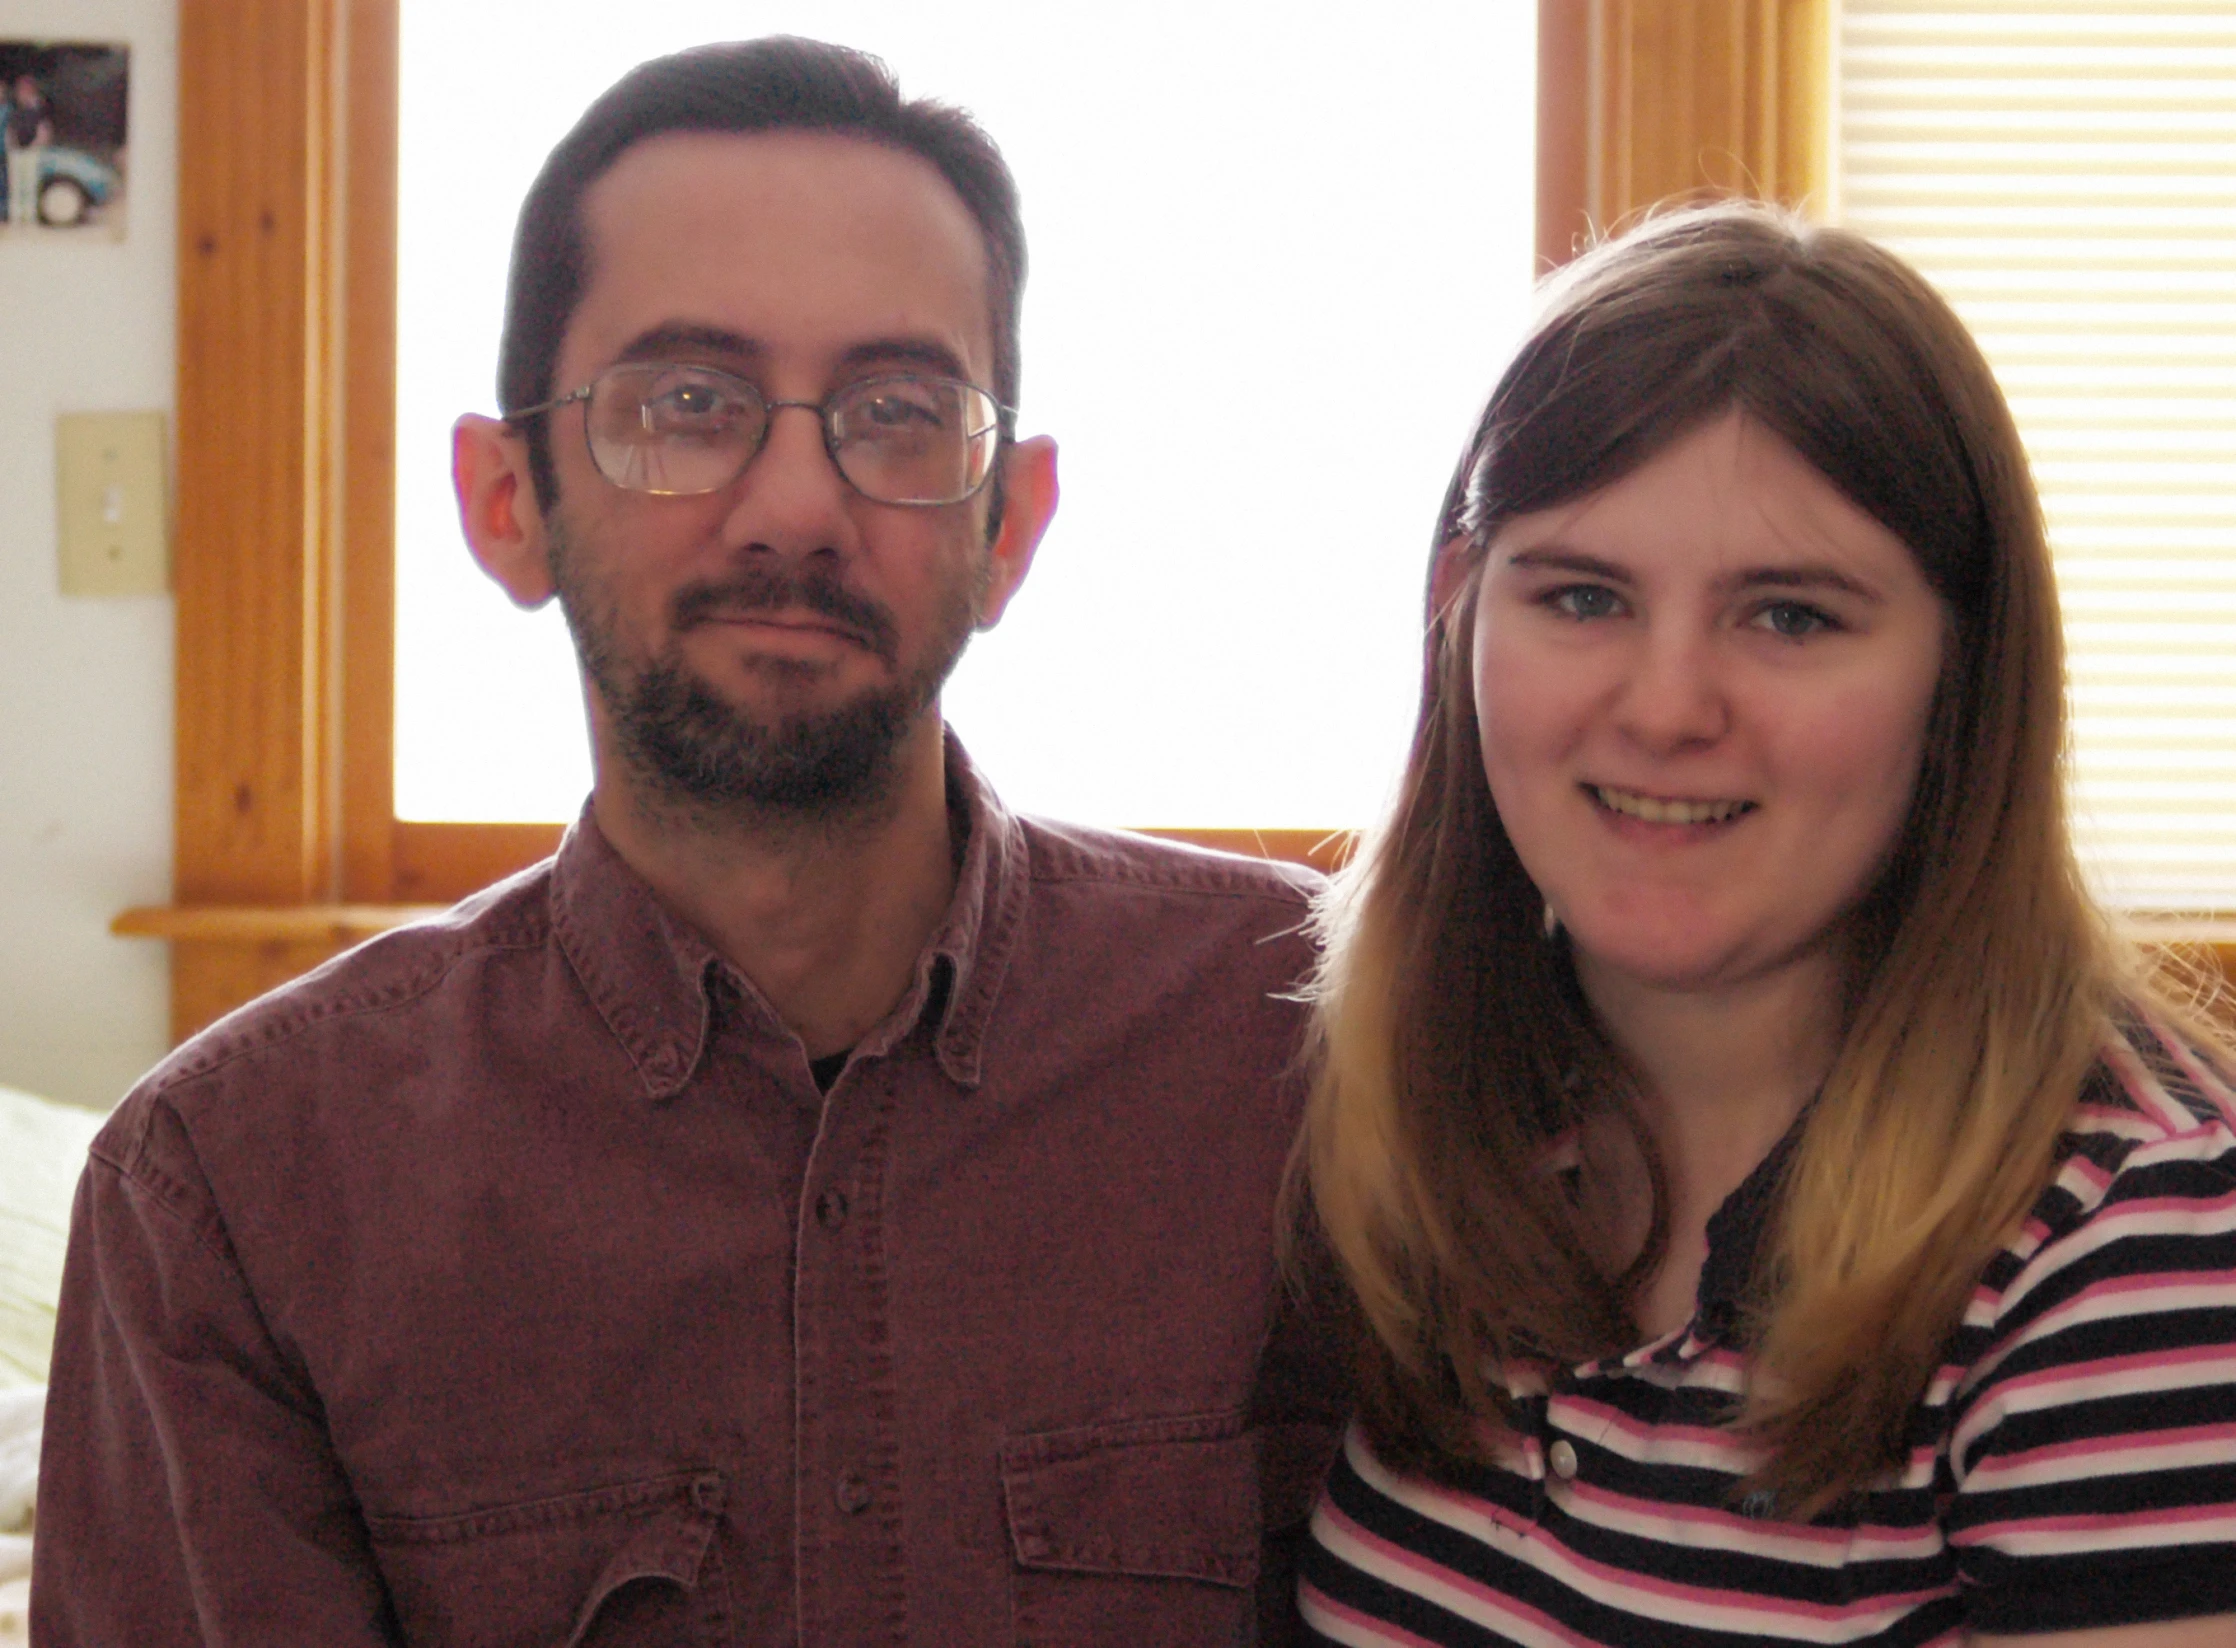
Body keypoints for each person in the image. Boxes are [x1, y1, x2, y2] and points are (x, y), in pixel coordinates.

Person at [36, 38, 1346, 1647]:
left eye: (899, 411)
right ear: (506, 499)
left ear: (1009, 526)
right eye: (689, 406)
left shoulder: (1320, 1054)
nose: (794, 503)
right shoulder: (232, 1197)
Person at [1292, 202, 2236, 1645]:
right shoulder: (1439, 1114)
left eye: (1790, 617)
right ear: (1459, 619)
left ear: (1962, 676)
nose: (1669, 708)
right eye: (1586, 595)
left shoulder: (2139, 1248)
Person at [4, 75, 51, 227]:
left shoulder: (38, 109)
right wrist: (11, 145)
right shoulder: (14, 109)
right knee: (16, 185)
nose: (23, 94)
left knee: (30, 185)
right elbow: (10, 129)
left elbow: (44, 128)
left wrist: (38, 143)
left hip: (32, 150)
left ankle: (30, 217)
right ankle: (16, 218)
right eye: (21, 91)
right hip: (16, 151)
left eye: (26, 90)